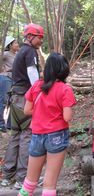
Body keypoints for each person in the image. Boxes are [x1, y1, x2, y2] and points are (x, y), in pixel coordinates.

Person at [17, 52, 77, 196]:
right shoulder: (65, 88)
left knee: (29, 181)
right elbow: (67, 117)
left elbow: (27, 110)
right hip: (56, 135)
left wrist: (42, 113)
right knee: (49, 184)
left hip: (37, 135)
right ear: (64, 69)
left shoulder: (37, 86)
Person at [1, 23, 44, 189]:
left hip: (15, 98)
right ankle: (23, 177)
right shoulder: (30, 52)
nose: (41, 40)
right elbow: (33, 76)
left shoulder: (21, 52)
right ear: (31, 36)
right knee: (27, 134)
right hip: (24, 99)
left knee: (16, 135)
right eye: (39, 37)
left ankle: (7, 176)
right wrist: (40, 95)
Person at [0, 36, 19, 132]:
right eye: (15, 43)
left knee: (12, 101)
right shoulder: (6, 54)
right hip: (5, 78)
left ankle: (9, 124)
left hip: (13, 79)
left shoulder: (16, 54)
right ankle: (1, 124)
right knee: (4, 101)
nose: (17, 44)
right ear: (10, 45)